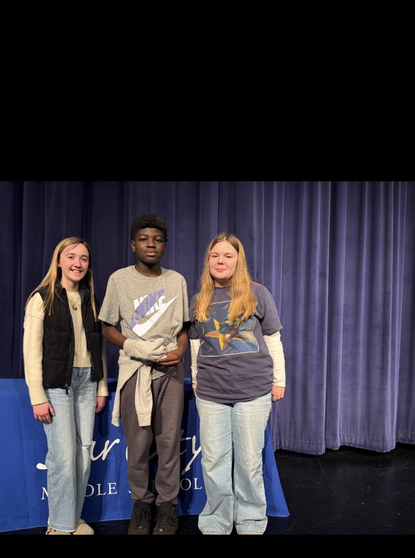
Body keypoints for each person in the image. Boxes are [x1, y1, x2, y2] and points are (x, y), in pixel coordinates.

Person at [189, 233, 286, 535]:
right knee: (214, 461)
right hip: (211, 393)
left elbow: (272, 339)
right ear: (208, 261)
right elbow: (195, 344)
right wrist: (195, 379)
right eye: (215, 256)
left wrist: (279, 380)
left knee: (248, 462)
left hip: (253, 391)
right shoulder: (199, 300)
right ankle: (216, 522)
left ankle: (251, 522)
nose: (220, 261)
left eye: (227, 256)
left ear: (238, 260)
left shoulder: (258, 293)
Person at [100, 213, 190, 535]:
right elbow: (107, 325)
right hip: (135, 374)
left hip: (169, 374)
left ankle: (167, 507)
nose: (150, 244)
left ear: (165, 245)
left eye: (157, 239)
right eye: (144, 239)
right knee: (138, 446)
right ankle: (141, 504)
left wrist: (180, 351)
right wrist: (131, 346)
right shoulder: (119, 280)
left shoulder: (176, 280)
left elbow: (183, 328)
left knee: (168, 444)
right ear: (133, 244)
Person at [23, 237, 108, 535]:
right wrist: (37, 396)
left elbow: (97, 348)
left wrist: (101, 388)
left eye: (84, 258)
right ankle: (58, 526)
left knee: (83, 454)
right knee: (63, 457)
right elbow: (31, 352)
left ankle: (73, 518)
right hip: (57, 386)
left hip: (87, 383)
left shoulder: (91, 299)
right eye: (71, 257)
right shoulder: (41, 298)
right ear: (59, 260)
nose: (78, 263)